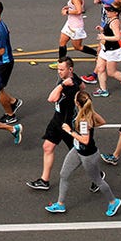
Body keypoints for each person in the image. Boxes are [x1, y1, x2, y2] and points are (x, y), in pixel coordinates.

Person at [45, 91, 121, 217]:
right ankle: (60, 204)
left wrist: (70, 131)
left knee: (97, 180)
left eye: (75, 98)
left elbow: (85, 141)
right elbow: (102, 121)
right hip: (77, 150)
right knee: (64, 174)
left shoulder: (84, 120)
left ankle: (113, 201)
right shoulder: (84, 114)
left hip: (88, 156)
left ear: (77, 103)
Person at [27, 57, 83, 191]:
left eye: (62, 69)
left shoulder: (69, 87)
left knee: (80, 155)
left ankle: (97, 176)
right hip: (57, 121)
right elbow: (83, 86)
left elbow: (51, 98)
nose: (59, 72)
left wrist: (62, 86)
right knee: (47, 147)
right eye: (58, 69)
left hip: (67, 125)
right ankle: (44, 180)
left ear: (70, 69)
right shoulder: (72, 78)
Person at [50, 0, 99, 68]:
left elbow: (79, 11)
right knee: (62, 43)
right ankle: (61, 62)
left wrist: (67, 12)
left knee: (77, 47)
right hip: (69, 23)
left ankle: (97, 54)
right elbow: (75, 8)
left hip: (76, 26)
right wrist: (68, 7)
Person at [92, 4, 121, 98]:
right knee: (100, 68)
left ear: (115, 13)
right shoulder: (110, 19)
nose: (107, 12)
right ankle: (103, 90)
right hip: (105, 49)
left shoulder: (115, 22)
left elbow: (117, 37)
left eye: (109, 11)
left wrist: (104, 37)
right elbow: (109, 31)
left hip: (112, 51)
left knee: (112, 72)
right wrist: (102, 30)